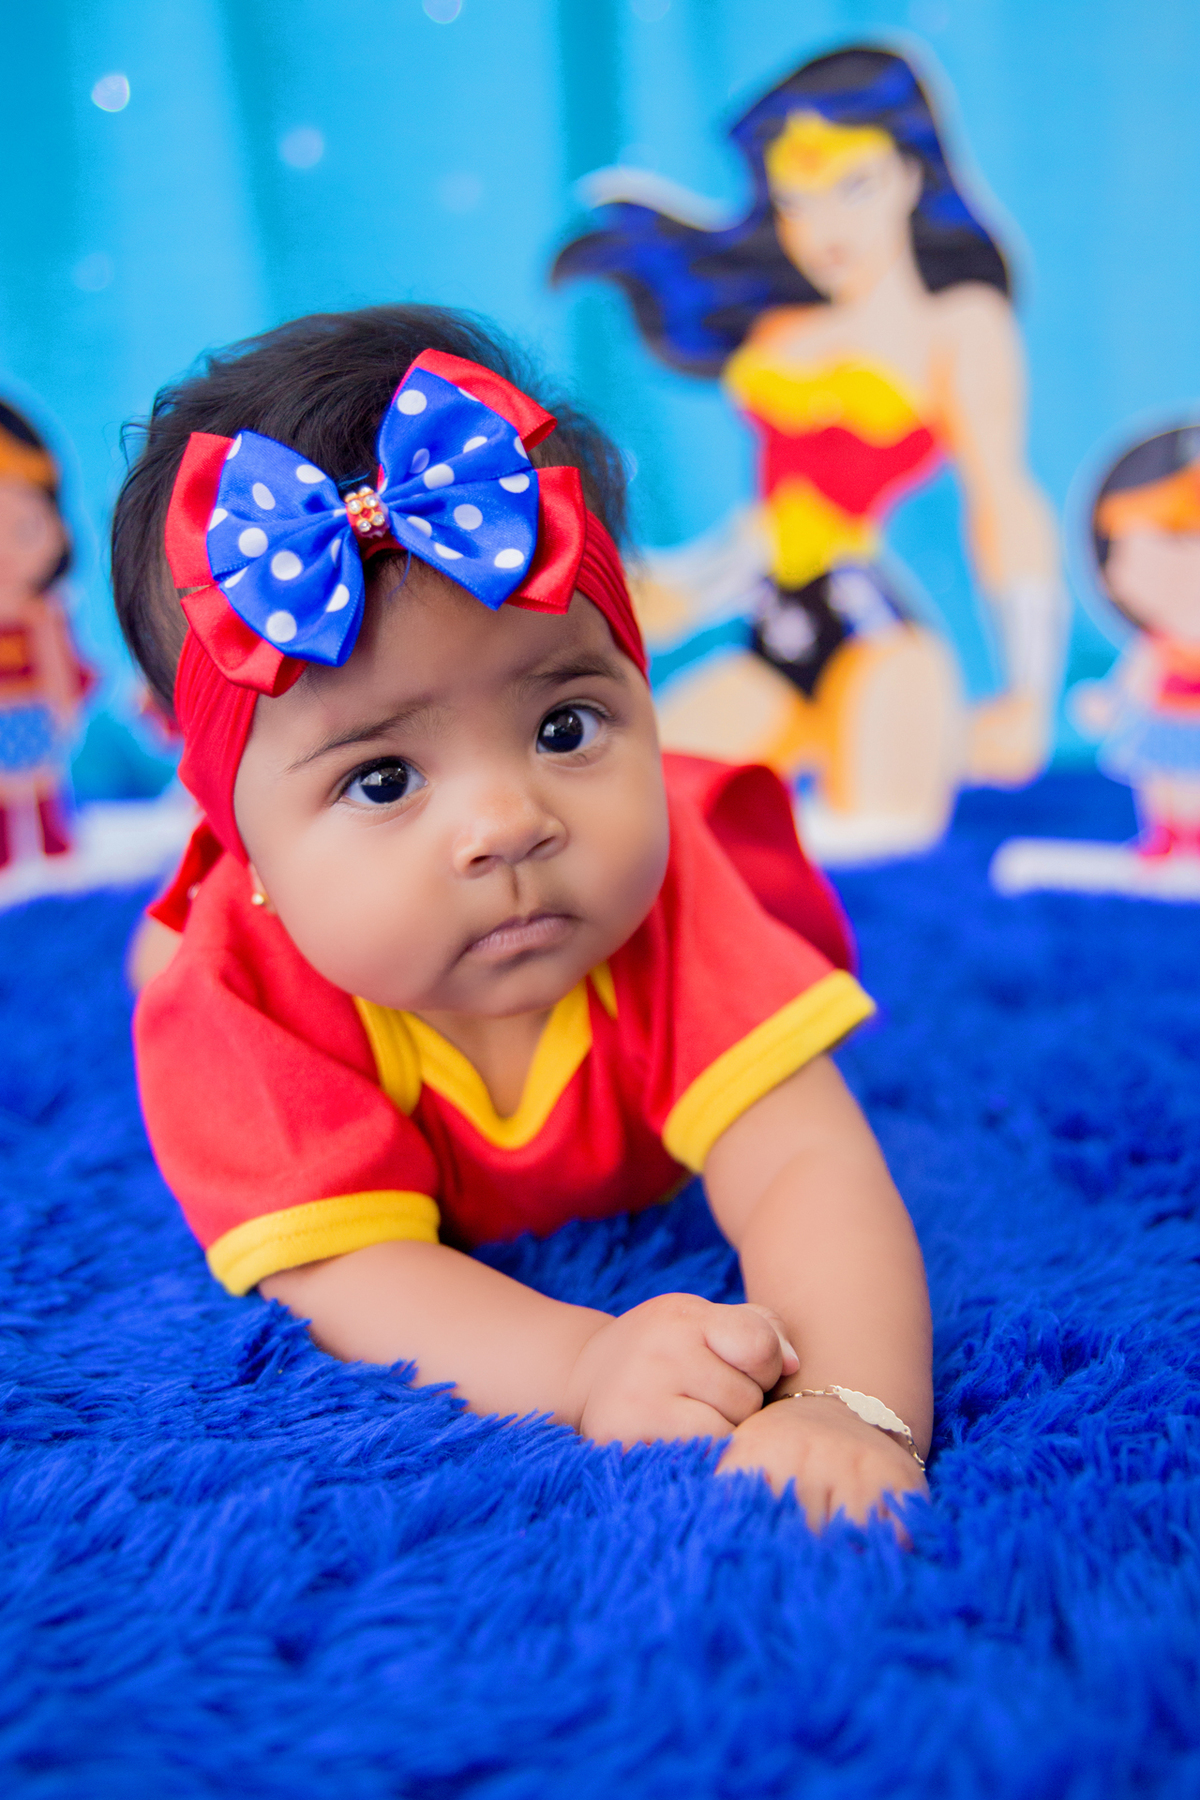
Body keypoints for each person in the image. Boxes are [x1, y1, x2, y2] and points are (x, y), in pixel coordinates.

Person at [116, 305, 932, 1531]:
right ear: (238, 828)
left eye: (564, 727)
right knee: (169, 970)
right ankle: (171, 919)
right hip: (245, 937)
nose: (507, 822)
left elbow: (804, 1160)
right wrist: (583, 1363)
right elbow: (348, 1268)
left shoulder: (668, 895)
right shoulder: (250, 997)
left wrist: (848, 1404)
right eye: (381, 779)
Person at [553, 45, 1065, 849]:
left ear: (910, 174)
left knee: (867, 835)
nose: (825, 226)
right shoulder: (781, 334)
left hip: (881, 642)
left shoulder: (961, 326)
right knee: (639, 808)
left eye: (853, 186)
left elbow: (1001, 498)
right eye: (796, 199)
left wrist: (1031, 690)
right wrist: (674, 592)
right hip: (772, 636)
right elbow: (776, 524)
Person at [1071, 425, 1200, 857]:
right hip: (1165, 717)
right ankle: (1166, 835)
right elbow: (1134, 676)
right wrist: (1111, 702)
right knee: (1161, 780)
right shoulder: (1158, 645)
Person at [0, 400, 89, 866]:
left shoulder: (43, 617)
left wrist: (63, 701)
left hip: (34, 713)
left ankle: (51, 839)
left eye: (24, 529)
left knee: (38, 780)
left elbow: (56, 664)